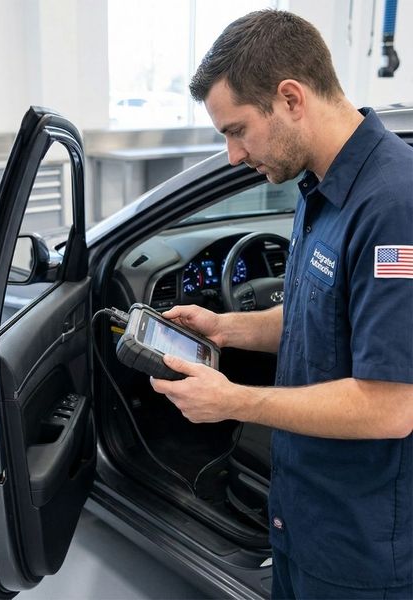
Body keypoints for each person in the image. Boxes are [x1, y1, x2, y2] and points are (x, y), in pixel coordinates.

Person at [150, 9, 413, 600]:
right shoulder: (317, 186)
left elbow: (392, 405)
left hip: (359, 551)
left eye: (237, 129)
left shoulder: (394, 207)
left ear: (290, 98)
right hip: (300, 516)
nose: (233, 155)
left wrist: (233, 401)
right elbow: (319, 317)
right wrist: (226, 328)